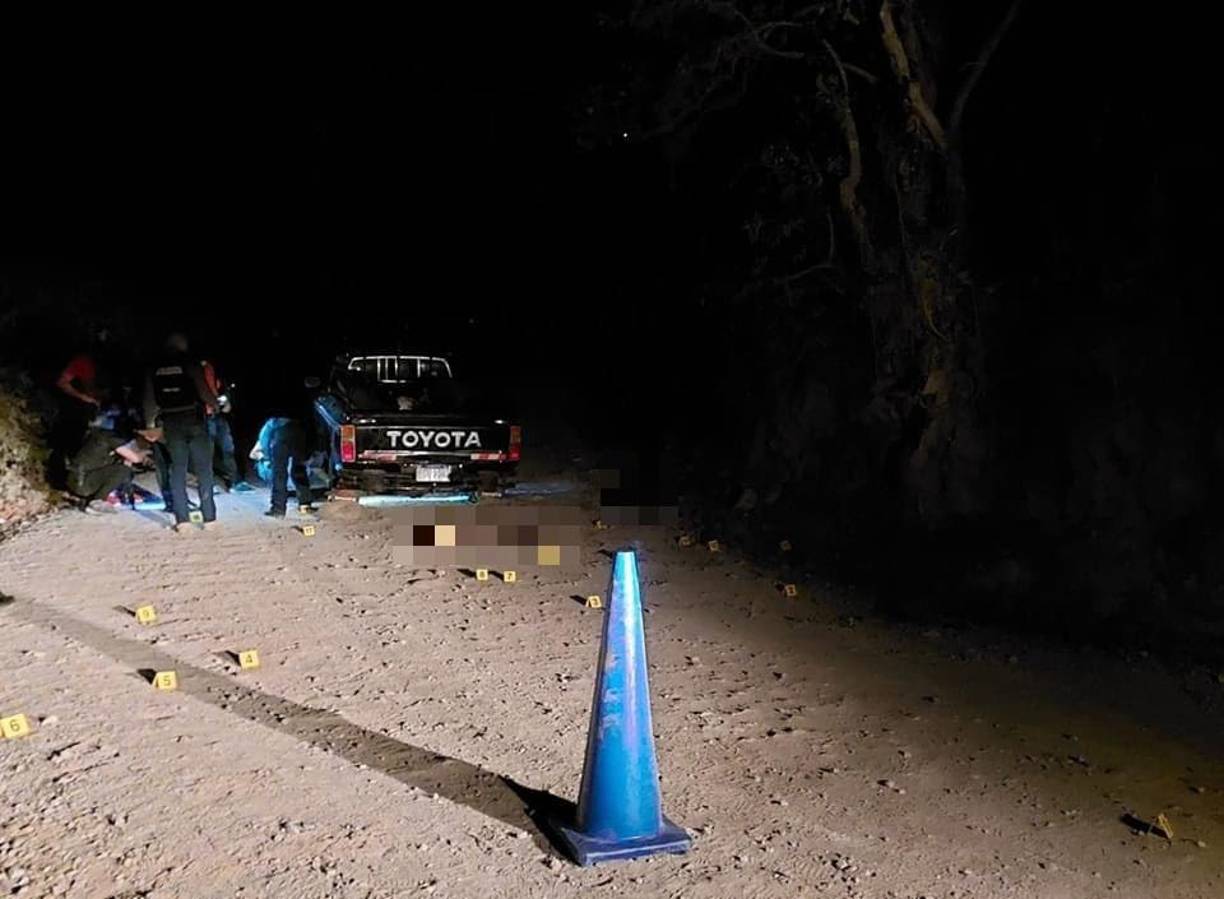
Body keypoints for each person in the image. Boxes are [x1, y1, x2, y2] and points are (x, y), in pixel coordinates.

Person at [143, 333, 220, 532]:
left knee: (177, 469)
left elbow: (149, 399)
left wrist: (151, 424)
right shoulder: (190, 364)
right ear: (182, 346)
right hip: (194, 419)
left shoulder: (154, 368)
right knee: (204, 468)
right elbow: (203, 392)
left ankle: (182, 519)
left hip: (170, 421)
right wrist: (216, 405)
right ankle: (209, 517)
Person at [66, 428, 153, 513]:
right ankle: (97, 502)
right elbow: (135, 459)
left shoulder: (105, 437)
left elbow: (127, 464)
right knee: (123, 470)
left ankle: (89, 500)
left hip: (79, 479)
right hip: (82, 482)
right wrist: (147, 452)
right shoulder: (112, 439)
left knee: (122, 469)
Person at [201, 358, 251, 492]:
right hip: (203, 415)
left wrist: (226, 401)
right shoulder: (194, 369)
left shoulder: (213, 368)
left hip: (218, 413)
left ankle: (235, 482)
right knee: (207, 452)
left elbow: (222, 387)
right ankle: (209, 484)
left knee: (228, 448)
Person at [250, 416, 314, 518]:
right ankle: (305, 504)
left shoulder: (271, 423)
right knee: (299, 469)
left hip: (282, 436)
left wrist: (268, 457)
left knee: (279, 473)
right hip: (300, 432)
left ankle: (278, 509)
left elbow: (264, 440)